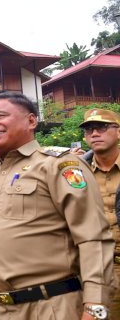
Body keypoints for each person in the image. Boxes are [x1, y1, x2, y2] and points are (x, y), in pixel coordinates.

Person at [0, 92, 115, 320]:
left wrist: (95, 307)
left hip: (51, 306)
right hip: (0, 308)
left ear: (31, 121)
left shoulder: (59, 165)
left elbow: (93, 238)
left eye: (0, 116)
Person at [80, 108, 120, 320]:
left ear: (118, 132)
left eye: (102, 127)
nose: (94, 133)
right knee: (101, 317)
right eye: (89, 129)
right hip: (97, 271)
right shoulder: (74, 172)